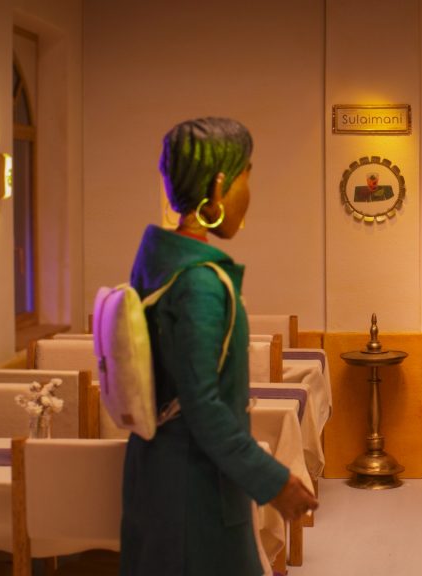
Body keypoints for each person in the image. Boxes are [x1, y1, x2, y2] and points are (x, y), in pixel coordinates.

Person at [120, 117, 318, 575]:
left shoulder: (158, 263)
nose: (250, 193)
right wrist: (274, 481)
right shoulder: (199, 282)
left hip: (157, 475)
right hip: (193, 493)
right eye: (248, 176)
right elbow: (203, 405)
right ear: (219, 185)